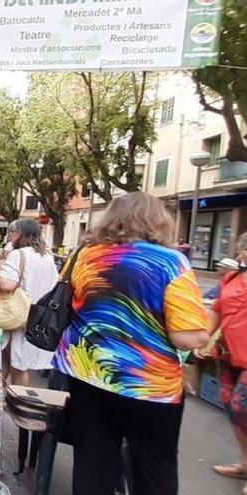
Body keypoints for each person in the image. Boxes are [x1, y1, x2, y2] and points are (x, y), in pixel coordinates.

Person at [53, 192, 209, 495]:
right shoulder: (171, 262)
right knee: (154, 467)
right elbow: (185, 336)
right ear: (158, 221)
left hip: (87, 371)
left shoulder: (83, 255)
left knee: (92, 461)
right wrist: (204, 337)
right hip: (147, 384)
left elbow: (69, 304)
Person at [197, 233, 247, 490]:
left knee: (242, 406)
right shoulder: (233, 278)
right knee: (231, 406)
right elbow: (217, 309)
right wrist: (205, 340)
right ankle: (245, 463)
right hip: (229, 353)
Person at [0, 219, 59, 385]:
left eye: (13, 232)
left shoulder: (19, 254)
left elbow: (7, 284)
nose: (11, 236)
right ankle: (4, 396)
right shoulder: (48, 256)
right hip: (39, 314)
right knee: (13, 358)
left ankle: (18, 403)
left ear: (22, 234)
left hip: (18, 314)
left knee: (17, 363)